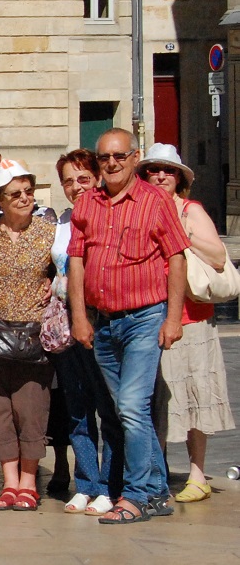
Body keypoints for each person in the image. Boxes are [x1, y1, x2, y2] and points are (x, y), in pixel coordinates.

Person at [67, 128, 189, 524]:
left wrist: (173, 318)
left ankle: (134, 496)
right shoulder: (89, 204)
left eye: (120, 156)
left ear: (134, 158)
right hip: (102, 324)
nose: (112, 163)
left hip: (144, 319)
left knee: (134, 408)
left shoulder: (155, 202)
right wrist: (80, 317)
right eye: (104, 157)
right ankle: (155, 490)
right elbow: (77, 261)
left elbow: (176, 258)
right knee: (124, 410)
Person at [137, 143, 235, 504]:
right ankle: (156, 472)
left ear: (179, 178)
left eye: (168, 171)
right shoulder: (140, 209)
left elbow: (219, 256)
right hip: (151, 316)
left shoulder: (190, 210)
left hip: (192, 320)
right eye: (153, 170)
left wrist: (182, 231)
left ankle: (197, 474)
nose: (161, 176)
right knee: (156, 400)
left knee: (195, 397)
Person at [0, 161, 56, 512]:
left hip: (34, 333)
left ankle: (28, 482)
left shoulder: (48, 230)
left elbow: (66, 268)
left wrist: (53, 282)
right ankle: (9, 483)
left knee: (31, 410)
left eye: (29, 191)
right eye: (15, 193)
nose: (24, 198)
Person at [51, 150, 119, 516]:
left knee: (108, 409)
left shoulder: (109, 215)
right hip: (65, 329)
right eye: (68, 181)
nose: (76, 187)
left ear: (96, 179)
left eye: (83, 179)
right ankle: (86, 483)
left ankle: (109, 484)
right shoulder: (60, 223)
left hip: (102, 326)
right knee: (77, 409)